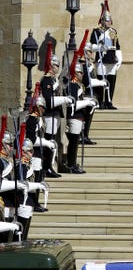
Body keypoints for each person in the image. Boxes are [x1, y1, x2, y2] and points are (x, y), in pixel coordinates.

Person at [40, 42, 73, 178]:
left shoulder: (54, 80)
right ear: (50, 65)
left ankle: (49, 166)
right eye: (56, 65)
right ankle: (46, 167)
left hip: (55, 114)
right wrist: (64, 99)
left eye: (59, 65)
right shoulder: (46, 80)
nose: (57, 68)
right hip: (49, 113)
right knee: (49, 141)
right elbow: (48, 101)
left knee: (52, 141)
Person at [65, 53, 98, 174]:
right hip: (74, 116)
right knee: (73, 143)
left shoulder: (79, 85)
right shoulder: (73, 86)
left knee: (75, 143)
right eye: (80, 72)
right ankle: (71, 164)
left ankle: (72, 163)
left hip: (79, 116)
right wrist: (87, 103)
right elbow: (74, 104)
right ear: (75, 73)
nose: (82, 74)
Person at [90, 0, 122, 110]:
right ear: (102, 21)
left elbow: (117, 47)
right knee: (100, 82)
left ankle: (109, 101)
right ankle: (101, 101)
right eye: (106, 21)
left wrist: (120, 59)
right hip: (101, 60)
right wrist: (101, 46)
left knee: (111, 81)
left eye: (109, 21)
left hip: (112, 60)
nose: (108, 23)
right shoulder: (96, 32)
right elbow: (92, 46)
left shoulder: (113, 31)